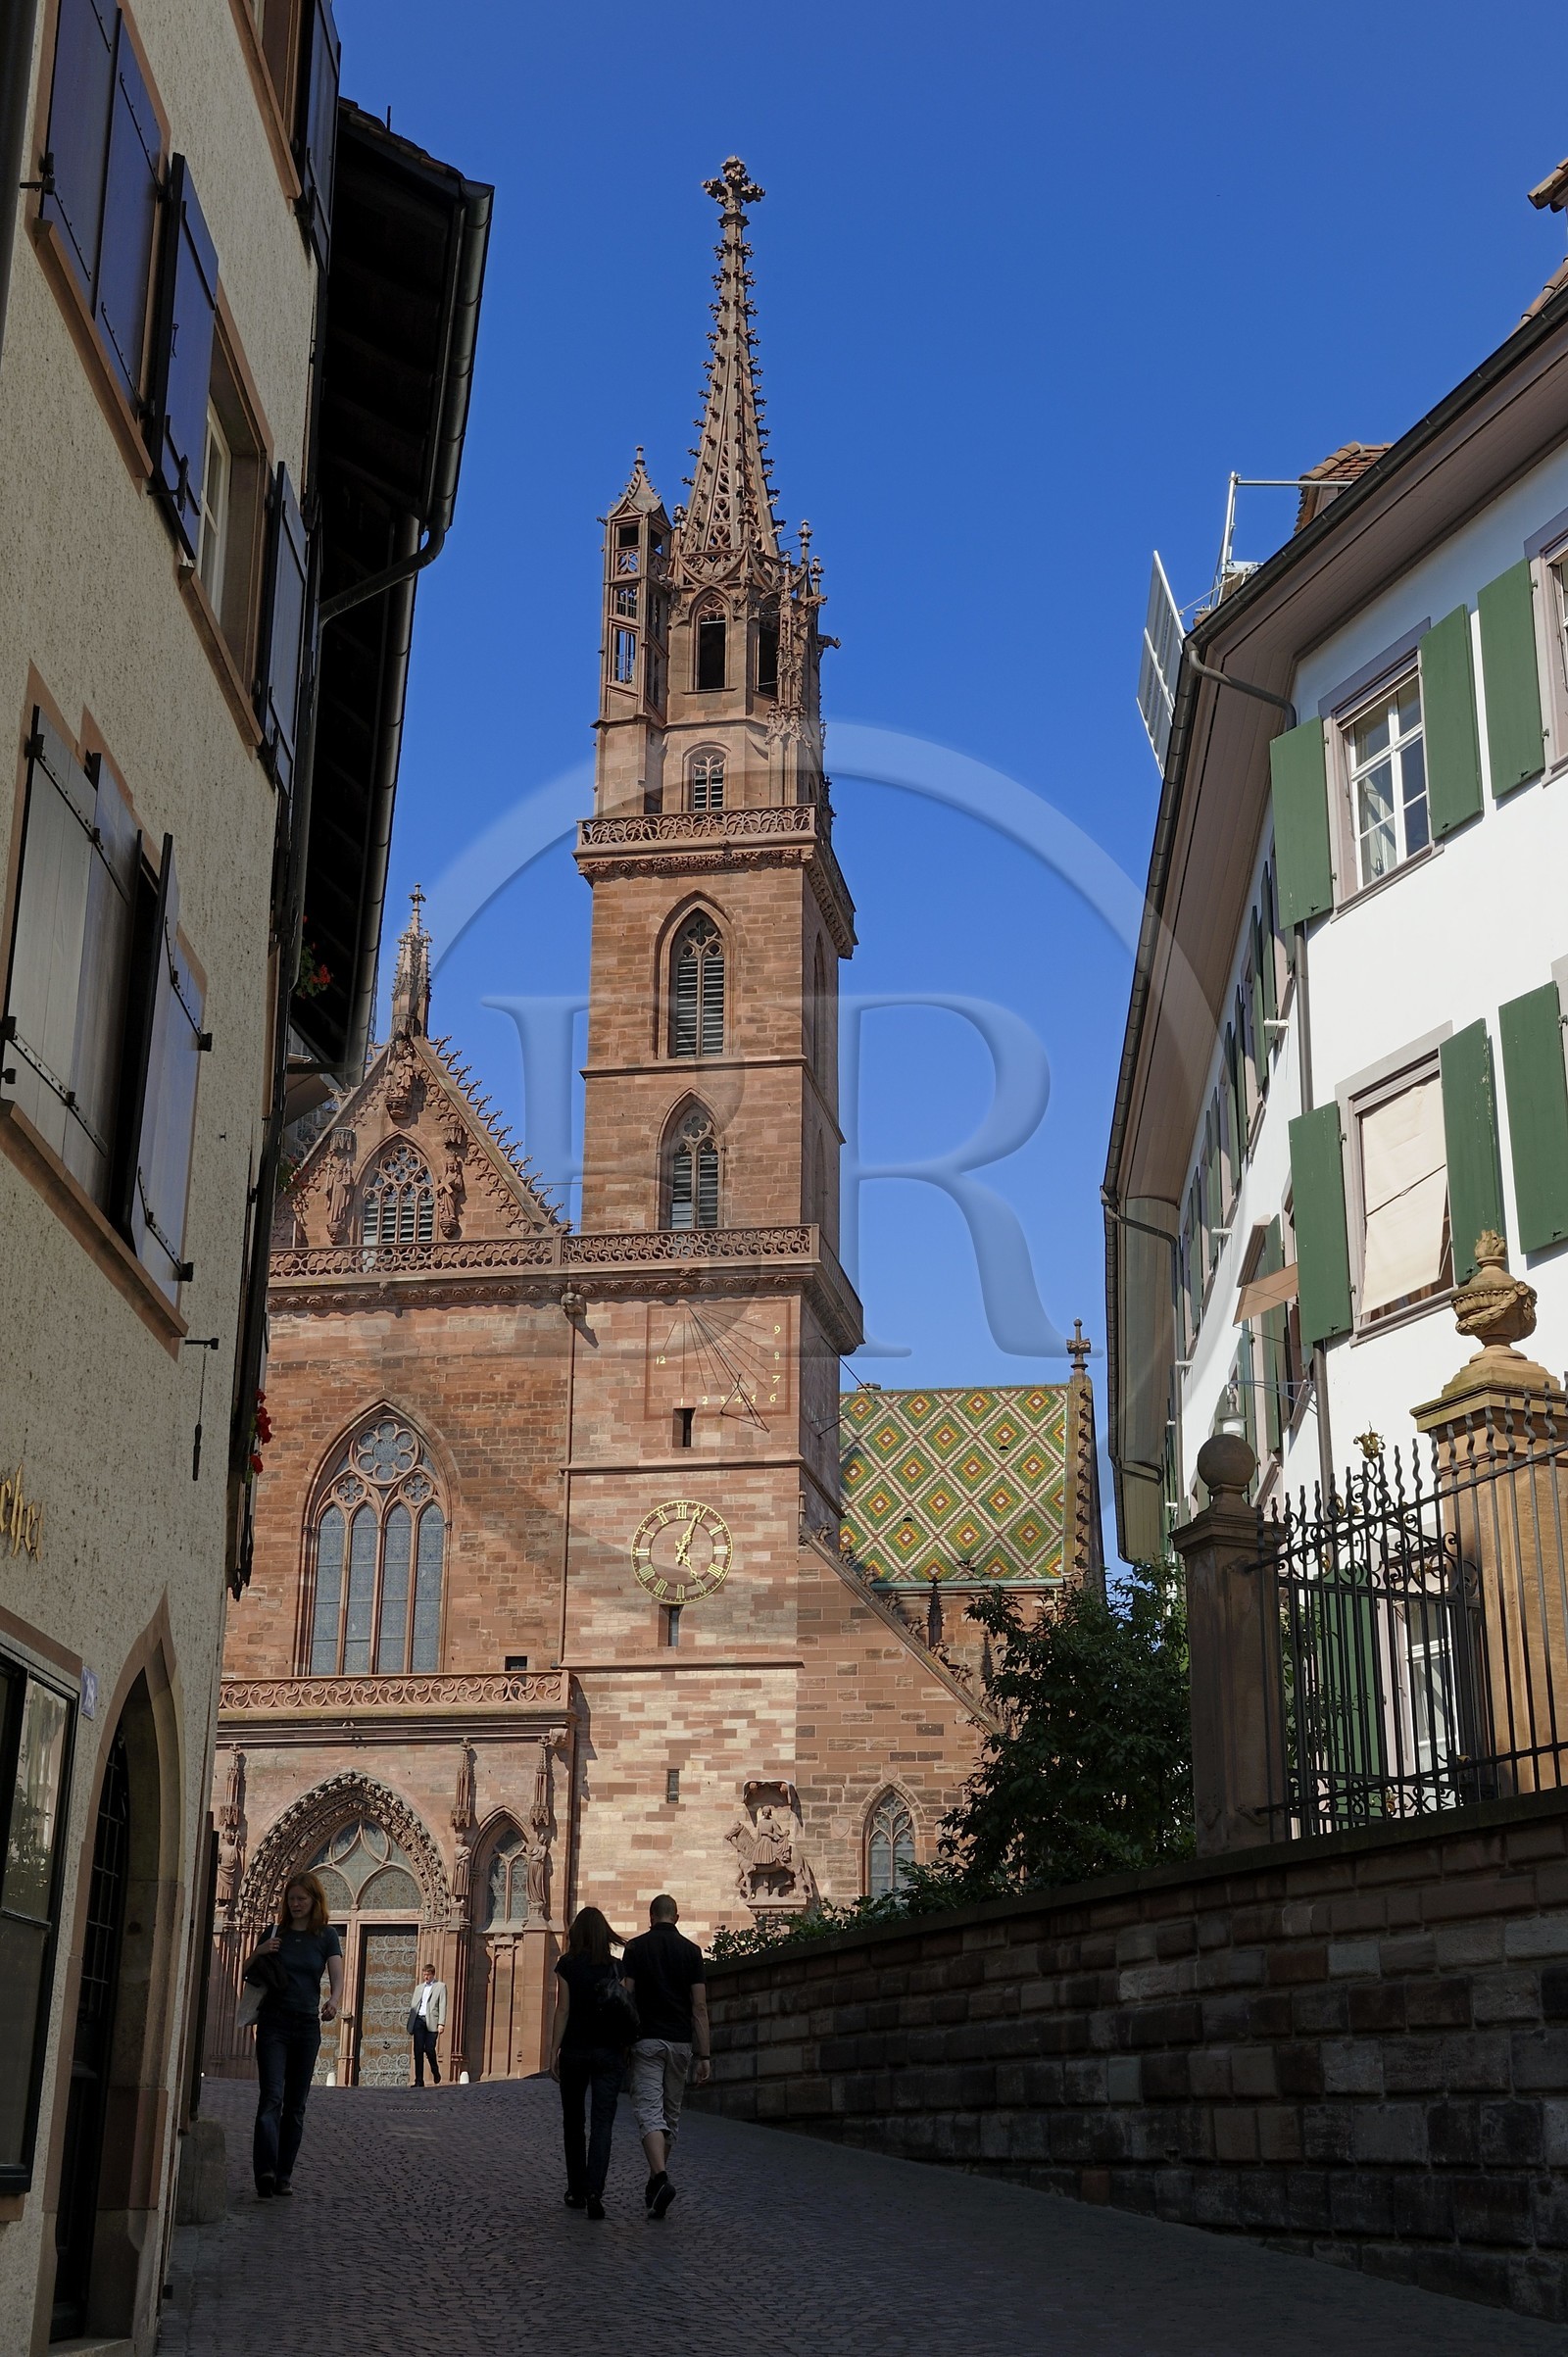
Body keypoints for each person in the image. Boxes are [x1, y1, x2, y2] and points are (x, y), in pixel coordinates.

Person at [247, 1871, 342, 2198]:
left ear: (314, 1900)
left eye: (302, 1898)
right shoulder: (275, 1933)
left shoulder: (326, 1936)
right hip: (273, 2022)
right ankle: (265, 2172)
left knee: (295, 2105)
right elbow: (248, 1971)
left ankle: (284, 2174)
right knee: (271, 2096)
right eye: (291, 1899)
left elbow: (336, 1974)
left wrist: (333, 2000)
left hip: (305, 2026)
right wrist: (261, 1951)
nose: (296, 1904)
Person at [621, 1892, 710, 2220]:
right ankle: (655, 2183)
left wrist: (622, 2040)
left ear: (650, 1916)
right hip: (680, 2043)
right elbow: (699, 2006)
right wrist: (705, 2054)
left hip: (646, 2040)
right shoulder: (691, 1951)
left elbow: (626, 1995)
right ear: (677, 1916)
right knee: (670, 2116)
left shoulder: (636, 1948)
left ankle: (659, 2177)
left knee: (648, 2112)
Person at [548, 1905, 631, 2220]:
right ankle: (596, 2189)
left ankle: (576, 2189)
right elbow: (622, 2010)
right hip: (609, 2053)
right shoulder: (616, 1969)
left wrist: (554, 2049)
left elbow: (563, 2010)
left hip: (575, 2051)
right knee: (602, 2125)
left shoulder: (567, 1965)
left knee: (574, 2123)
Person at [409, 1959, 447, 2087]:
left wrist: (441, 2023)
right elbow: (414, 2006)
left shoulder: (440, 1986)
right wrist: (410, 2024)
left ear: (433, 1974)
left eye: (428, 1975)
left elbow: (442, 2005)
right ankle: (419, 2080)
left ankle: (435, 2071)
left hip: (432, 2021)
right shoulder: (419, 1988)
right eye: (424, 1974)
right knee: (418, 2050)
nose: (426, 1977)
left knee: (429, 2048)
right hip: (419, 2020)